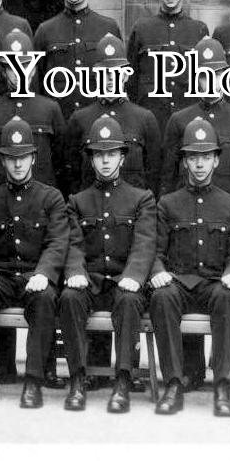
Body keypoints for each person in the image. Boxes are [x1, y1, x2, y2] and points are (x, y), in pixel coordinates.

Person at [0, 117, 69, 408]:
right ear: (2, 161)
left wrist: (44, 273)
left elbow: (56, 243)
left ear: (34, 158)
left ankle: (33, 382)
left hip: (33, 276)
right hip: (2, 275)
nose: (18, 165)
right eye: (11, 159)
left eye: (23, 157)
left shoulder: (51, 198)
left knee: (45, 297)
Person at [59, 115, 157, 413]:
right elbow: (72, 243)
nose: (105, 161)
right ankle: (77, 379)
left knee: (129, 302)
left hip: (123, 280)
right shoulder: (77, 201)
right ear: (90, 160)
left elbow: (144, 242)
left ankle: (123, 382)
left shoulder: (141, 199)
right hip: (90, 281)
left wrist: (135, 275)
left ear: (122, 157)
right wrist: (75, 271)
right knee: (69, 298)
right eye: (99, 154)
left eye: (111, 154)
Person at [148, 117, 230, 417]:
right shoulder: (167, 203)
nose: (199, 164)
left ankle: (222, 386)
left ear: (217, 160)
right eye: (193, 157)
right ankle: (174, 384)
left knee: (228, 299)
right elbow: (153, 248)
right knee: (161, 298)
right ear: (185, 162)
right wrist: (157, 271)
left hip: (216, 282)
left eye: (206, 157)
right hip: (179, 281)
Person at [161, 37, 230, 200]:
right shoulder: (179, 121)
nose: (210, 83)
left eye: (216, 74)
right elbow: (168, 180)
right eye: (204, 76)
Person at [64, 33, 161, 196]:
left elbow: (154, 175)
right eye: (105, 71)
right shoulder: (80, 119)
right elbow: (72, 177)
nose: (110, 78)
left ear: (126, 74)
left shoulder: (145, 119)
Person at [127, 0, 209, 136]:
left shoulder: (198, 30)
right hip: (150, 124)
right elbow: (131, 83)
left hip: (188, 126)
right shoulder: (141, 29)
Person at [33, 0, 120, 118]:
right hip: (60, 123)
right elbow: (36, 86)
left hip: (99, 124)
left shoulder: (109, 28)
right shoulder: (45, 31)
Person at [0, 29, 65, 194]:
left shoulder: (50, 109)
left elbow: (61, 163)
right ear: (3, 72)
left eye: (24, 65)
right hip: (0, 203)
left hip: (41, 203)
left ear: (33, 70)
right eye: (11, 67)